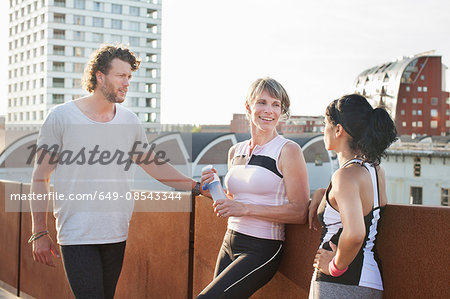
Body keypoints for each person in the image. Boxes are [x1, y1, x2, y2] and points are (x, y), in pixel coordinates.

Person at [29, 44, 204, 299]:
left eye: (129, 77)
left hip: (116, 230)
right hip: (76, 233)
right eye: (121, 76)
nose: (127, 83)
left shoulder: (129, 121)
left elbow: (153, 163)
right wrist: (40, 231)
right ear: (100, 76)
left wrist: (196, 186)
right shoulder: (62, 117)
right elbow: (39, 176)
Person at [197, 77, 310, 298]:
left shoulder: (288, 150)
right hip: (230, 239)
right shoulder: (235, 151)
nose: (269, 111)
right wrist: (213, 190)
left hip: (262, 247)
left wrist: (245, 209)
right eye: (262, 102)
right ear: (248, 106)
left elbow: (300, 211)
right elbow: (234, 200)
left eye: (276, 105)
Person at [308, 94, 397, 299]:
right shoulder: (375, 171)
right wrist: (324, 194)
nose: (323, 130)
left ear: (338, 129)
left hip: (339, 283)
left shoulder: (345, 176)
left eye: (325, 124)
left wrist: (333, 267)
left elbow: (356, 233)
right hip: (371, 280)